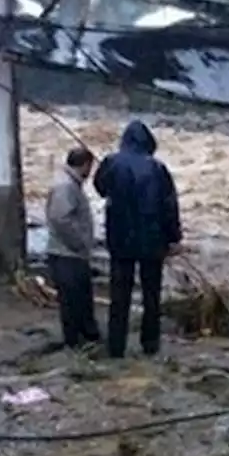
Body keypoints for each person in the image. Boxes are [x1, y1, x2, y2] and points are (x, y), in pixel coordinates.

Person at [92, 120, 183, 359]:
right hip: (153, 242)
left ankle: (116, 346)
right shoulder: (158, 169)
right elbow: (169, 207)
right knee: (151, 295)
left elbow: (100, 188)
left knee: (119, 296)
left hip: (120, 241)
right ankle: (150, 343)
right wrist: (174, 238)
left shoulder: (111, 163)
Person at [44, 145, 102, 350]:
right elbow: (60, 219)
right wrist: (80, 243)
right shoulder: (65, 186)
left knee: (80, 299)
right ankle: (75, 343)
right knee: (72, 301)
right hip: (66, 254)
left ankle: (84, 338)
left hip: (69, 253)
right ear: (85, 165)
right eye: (90, 167)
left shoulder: (68, 183)